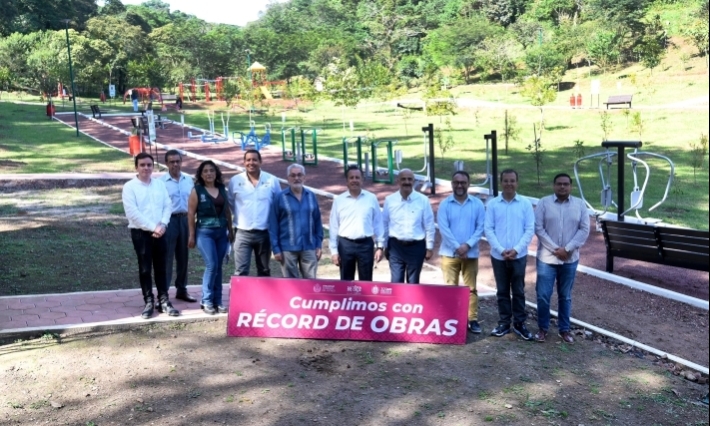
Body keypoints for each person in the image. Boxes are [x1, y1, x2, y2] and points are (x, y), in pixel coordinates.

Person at [122, 152, 180, 319]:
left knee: (162, 267)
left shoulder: (159, 185)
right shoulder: (130, 187)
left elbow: (168, 205)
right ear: (136, 167)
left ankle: (164, 301)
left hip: (161, 231)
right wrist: (152, 226)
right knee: (145, 269)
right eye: (142, 165)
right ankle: (148, 301)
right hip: (141, 233)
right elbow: (133, 213)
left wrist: (162, 224)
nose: (146, 168)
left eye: (149, 165)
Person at [533, 173, 590, 344]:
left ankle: (564, 329)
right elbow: (539, 228)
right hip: (547, 259)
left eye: (565, 184)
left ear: (571, 186)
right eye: (559, 184)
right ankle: (543, 328)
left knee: (565, 295)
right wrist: (556, 250)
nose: (562, 187)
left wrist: (567, 249)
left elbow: (584, 229)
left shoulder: (580, 205)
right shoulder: (544, 203)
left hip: (569, 260)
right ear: (554, 186)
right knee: (543, 295)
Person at [484, 169, 534, 340]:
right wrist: (500, 250)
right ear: (501, 182)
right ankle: (504, 323)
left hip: (518, 256)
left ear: (517, 183)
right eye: (506, 181)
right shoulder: (492, 204)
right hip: (498, 256)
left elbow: (529, 229)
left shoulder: (525, 204)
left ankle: (519, 323)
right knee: (502, 291)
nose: (509, 184)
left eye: (512, 181)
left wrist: (516, 249)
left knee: (518, 291)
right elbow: (488, 229)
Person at [437, 171, 486, 334]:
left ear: (468, 184)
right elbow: (444, 229)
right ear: (452, 184)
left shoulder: (477, 204)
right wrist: (458, 247)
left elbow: (481, 227)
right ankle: (453, 318)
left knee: (471, 289)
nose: (459, 185)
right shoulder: (445, 204)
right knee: (451, 289)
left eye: (463, 182)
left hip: (470, 254)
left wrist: (467, 246)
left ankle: (472, 319)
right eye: (456, 182)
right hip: (449, 254)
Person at [188, 161, 235, 315]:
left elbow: (227, 210)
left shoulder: (221, 188)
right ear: (201, 174)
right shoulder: (197, 190)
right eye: (205, 171)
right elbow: (191, 213)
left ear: (216, 173)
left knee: (219, 266)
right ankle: (206, 300)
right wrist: (192, 235)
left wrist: (230, 229)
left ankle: (218, 301)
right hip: (205, 232)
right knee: (212, 265)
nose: (209, 173)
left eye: (212, 171)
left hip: (221, 232)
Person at [227, 149, 281, 276]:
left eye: (255, 160)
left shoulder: (272, 180)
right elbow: (231, 202)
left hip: (264, 233)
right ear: (244, 162)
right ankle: (241, 296)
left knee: (264, 270)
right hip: (242, 233)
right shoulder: (235, 180)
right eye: (248, 160)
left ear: (260, 162)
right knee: (241, 271)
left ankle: (263, 296)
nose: (251, 163)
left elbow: (278, 204)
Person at [329, 165, 384, 281]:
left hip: (366, 245)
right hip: (345, 245)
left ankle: (365, 300)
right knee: (346, 282)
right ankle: (347, 300)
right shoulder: (339, 200)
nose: (354, 180)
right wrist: (334, 251)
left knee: (366, 281)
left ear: (362, 180)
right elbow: (334, 227)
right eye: (351, 177)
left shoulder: (371, 198)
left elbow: (378, 223)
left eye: (357, 177)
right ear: (347, 181)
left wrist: (380, 247)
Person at [268, 164, 323, 279]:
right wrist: (276, 248)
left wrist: (318, 244)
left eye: (299, 175)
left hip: (309, 246)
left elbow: (317, 221)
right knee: (291, 285)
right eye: (292, 175)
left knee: (311, 284)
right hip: (287, 249)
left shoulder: (311, 196)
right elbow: (273, 225)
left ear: (304, 177)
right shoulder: (280, 198)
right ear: (288, 178)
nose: (296, 178)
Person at [382, 169, 435, 284]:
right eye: (403, 179)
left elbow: (429, 225)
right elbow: (384, 224)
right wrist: (384, 245)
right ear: (398, 181)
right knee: (396, 283)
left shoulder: (423, 200)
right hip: (395, 247)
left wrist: (429, 247)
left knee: (413, 284)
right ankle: (397, 302)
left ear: (413, 181)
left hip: (416, 248)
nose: (407, 182)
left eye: (409, 179)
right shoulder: (390, 200)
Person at [160, 150, 196, 303]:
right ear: (166, 163)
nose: (175, 164)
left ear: (181, 162)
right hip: (169, 221)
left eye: (177, 161)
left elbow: (194, 202)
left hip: (185, 220)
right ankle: (164, 293)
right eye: (171, 162)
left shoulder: (189, 180)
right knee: (167, 258)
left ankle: (182, 289)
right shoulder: (161, 182)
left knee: (183, 257)